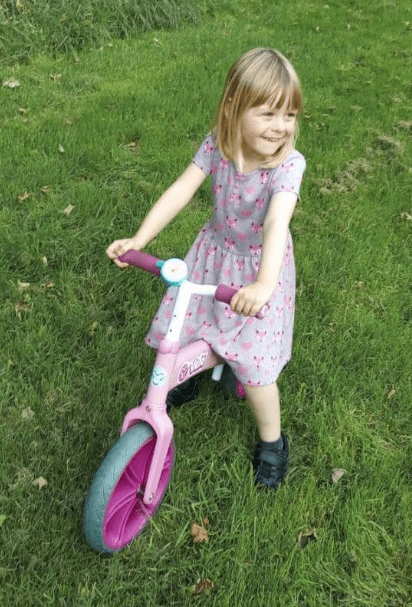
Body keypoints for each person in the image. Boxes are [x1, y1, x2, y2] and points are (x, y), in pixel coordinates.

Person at [106, 48, 306, 492]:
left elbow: (276, 221)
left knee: (255, 368)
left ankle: (272, 442)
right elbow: (182, 188)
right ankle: (194, 372)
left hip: (258, 267)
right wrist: (140, 239)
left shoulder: (288, 167)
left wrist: (264, 283)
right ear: (234, 108)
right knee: (193, 327)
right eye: (269, 113)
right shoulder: (218, 143)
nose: (281, 126)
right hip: (213, 255)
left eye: (289, 114)